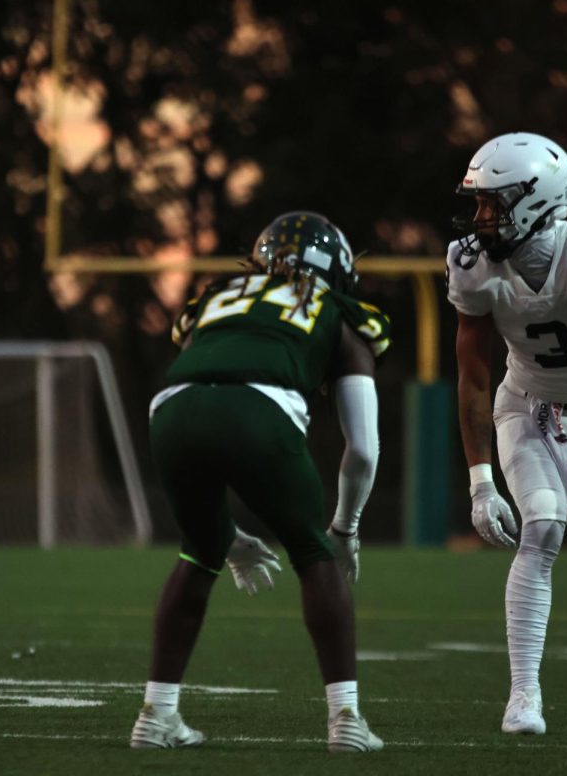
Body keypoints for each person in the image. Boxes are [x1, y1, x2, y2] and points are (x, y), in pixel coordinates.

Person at [129, 211, 392, 753]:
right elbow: (362, 449)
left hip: (170, 413)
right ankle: (346, 721)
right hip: (259, 410)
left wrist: (226, 538)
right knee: (312, 554)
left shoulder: (217, 299)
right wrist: (345, 529)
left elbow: (204, 386)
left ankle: (157, 716)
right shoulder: (341, 315)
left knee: (197, 552)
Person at [446, 132, 567, 734]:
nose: (481, 219)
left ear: (537, 200)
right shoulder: (471, 265)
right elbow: (475, 379)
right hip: (527, 410)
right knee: (543, 530)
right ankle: (524, 695)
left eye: (493, 203)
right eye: (478, 204)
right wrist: (481, 482)